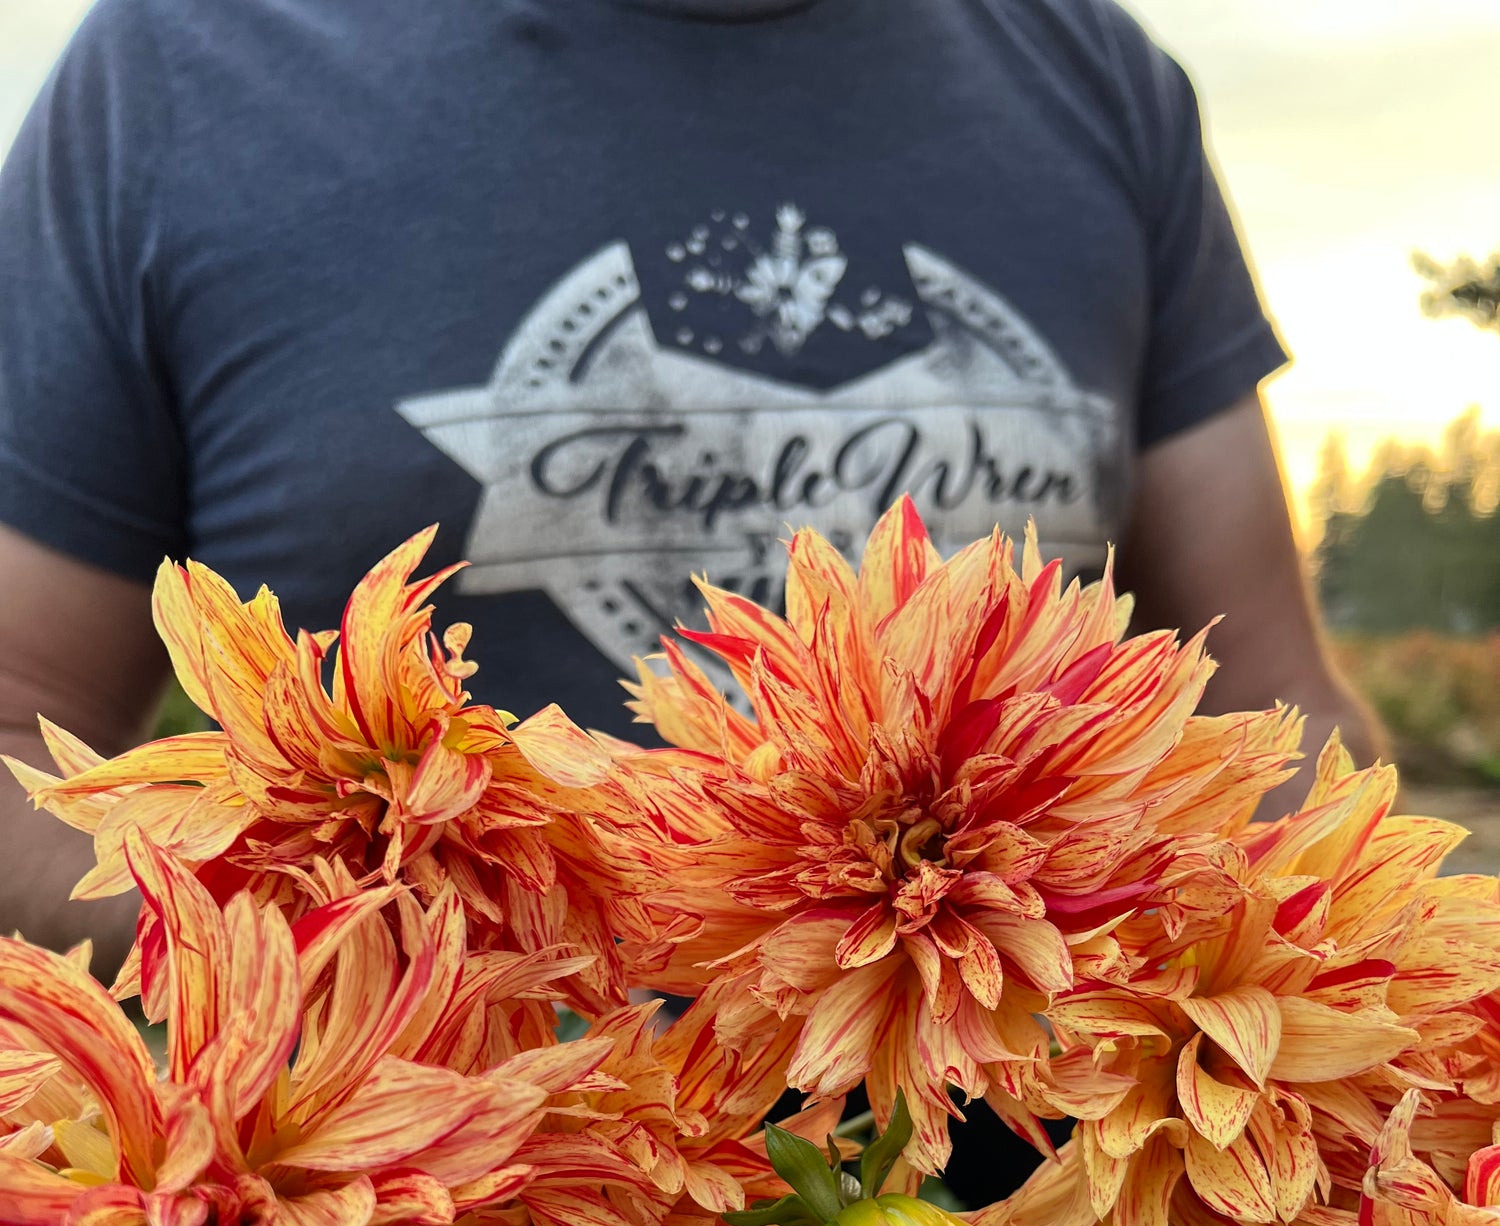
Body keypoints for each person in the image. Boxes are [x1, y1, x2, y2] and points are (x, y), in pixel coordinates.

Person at [0, 0, 1374, 972]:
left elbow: (1279, 707)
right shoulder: (186, 72)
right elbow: (21, 725)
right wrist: (349, 946)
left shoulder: (1096, 76)